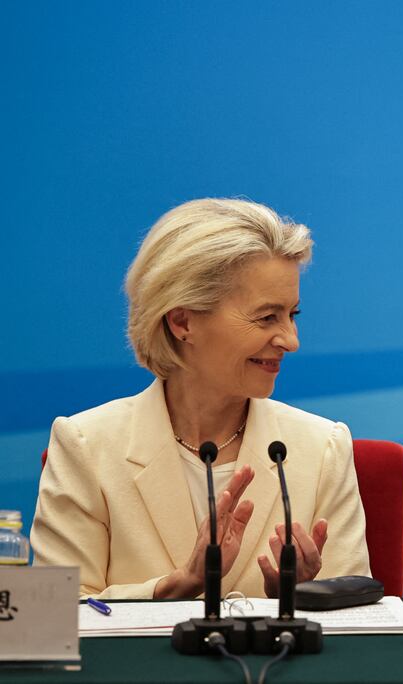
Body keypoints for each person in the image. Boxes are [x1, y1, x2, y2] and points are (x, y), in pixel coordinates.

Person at [32, 198, 370, 599]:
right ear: (182, 321)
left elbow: (358, 617)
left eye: (292, 315)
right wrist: (170, 588)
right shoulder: (86, 446)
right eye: (266, 317)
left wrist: (300, 598)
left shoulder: (323, 448)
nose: (291, 341)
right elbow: (57, 615)